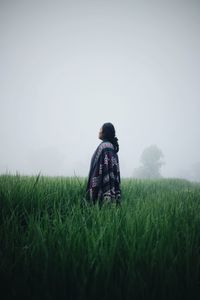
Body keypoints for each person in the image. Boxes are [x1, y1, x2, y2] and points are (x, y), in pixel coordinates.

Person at [86, 122, 121, 205]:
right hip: (111, 185)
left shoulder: (103, 147)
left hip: (101, 184)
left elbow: (96, 167)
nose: (99, 131)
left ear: (105, 132)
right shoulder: (112, 147)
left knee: (99, 207)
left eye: (100, 129)